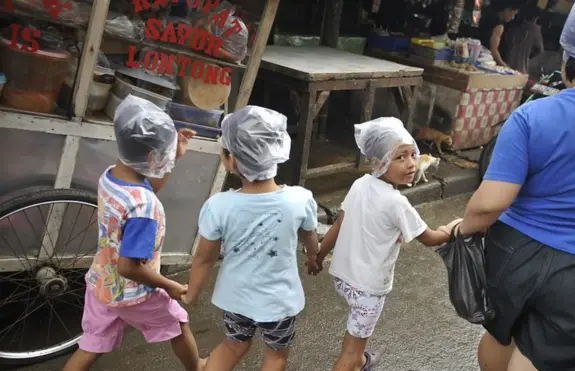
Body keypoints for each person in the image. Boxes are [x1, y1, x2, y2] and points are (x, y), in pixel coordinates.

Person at [441, 0, 575, 370]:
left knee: (499, 339)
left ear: (567, 55)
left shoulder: (531, 115)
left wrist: (458, 229)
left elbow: (488, 205)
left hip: (513, 256)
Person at [63, 95, 205, 371]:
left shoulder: (111, 177)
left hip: (101, 283)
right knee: (178, 323)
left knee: (92, 344)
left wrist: (173, 154)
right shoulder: (144, 208)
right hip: (135, 293)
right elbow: (130, 267)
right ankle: (198, 366)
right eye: (165, 154)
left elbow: (147, 186)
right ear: (152, 158)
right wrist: (169, 285)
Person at [182, 106, 321, 371]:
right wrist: (313, 256)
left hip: (237, 299)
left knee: (234, 345)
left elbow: (204, 257)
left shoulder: (219, 205)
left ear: (231, 160)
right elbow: (309, 236)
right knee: (276, 355)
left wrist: (192, 293)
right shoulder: (299, 199)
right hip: (279, 302)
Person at [317, 117, 461, 371]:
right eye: (400, 157)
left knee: (356, 334)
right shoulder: (397, 203)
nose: (411, 164)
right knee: (350, 352)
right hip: (368, 290)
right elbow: (431, 238)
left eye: (413, 154)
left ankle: (362, 362)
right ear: (381, 161)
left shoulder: (360, 184)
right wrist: (453, 228)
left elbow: (338, 225)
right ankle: (356, 361)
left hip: (343, 279)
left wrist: (317, 257)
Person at [503, 6, 544, 74]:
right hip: (521, 68)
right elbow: (540, 50)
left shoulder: (513, 26)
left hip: (505, 64)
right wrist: (528, 55)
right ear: (535, 18)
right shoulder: (534, 30)